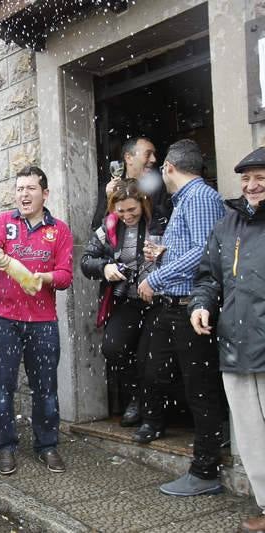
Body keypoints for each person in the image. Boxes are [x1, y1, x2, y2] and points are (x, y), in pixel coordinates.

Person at [134, 139, 226, 497]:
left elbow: (206, 251)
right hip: (174, 306)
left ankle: (206, 470)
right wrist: (164, 254)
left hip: (192, 306)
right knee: (154, 368)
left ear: (169, 168)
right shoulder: (187, 201)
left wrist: (154, 277)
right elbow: (193, 247)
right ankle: (163, 425)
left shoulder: (200, 197)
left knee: (201, 389)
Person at [0, 166, 74, 476]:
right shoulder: (3, 222)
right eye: (20, 188)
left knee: (45, 388)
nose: (24, 194)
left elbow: (65, 276)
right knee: (2, 387)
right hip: (3, 318)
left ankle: (47, 445)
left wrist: (42, 277)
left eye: (31, 188)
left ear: (44, 193)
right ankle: (5, 447)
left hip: (43, 321)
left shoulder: (58, 230)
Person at [190, 147, 265, 530]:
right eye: (246, 179)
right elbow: (208, 277)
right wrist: (200, 305)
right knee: (251, 438)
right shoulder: (226, 226)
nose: (252, 186)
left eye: (261, 179)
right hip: (235, 345)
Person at [80, 180, 160, 427]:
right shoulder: (109, 226)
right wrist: (106, 267)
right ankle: (136, 397)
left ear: (143, 204)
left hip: (159, 302)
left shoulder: (160, 223)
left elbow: (178, 255)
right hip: (127, 300)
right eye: (121, 211)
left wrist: (159, 265)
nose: (126, 216)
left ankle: (153, 412)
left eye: (132, 210)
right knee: (113, 348)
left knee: (153, 359)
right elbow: (86, 261)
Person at [92, 136, 171, 232]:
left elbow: (166, 222)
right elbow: (96, 226)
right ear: (128, 158)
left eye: (153, 154)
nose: (153, 159)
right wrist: (108, 198)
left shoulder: (161, 185)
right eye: (148, 154)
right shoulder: (110, 187)